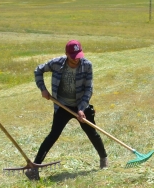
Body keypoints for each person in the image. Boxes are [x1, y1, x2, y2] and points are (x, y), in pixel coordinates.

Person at [28, 39, 107, 180]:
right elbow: (38, 70)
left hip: (80, 104)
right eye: (73, 56)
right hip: (62, 105)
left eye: (78, 56)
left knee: (92, 132)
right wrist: (43, 89)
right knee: (53, 135)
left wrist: (82, 109)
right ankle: (34, 168)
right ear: (66, 53)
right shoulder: (57, 63)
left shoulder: (87, 65)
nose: (76, 59)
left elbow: (89, 89)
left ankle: (103, 159)